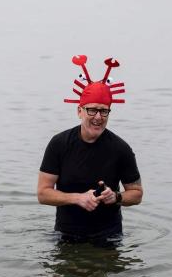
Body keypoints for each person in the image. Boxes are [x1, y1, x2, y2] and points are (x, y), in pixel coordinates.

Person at [37, 55, 142, 243]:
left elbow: (136, 194)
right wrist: (77, 198)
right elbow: (43, 193)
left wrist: (116, 197)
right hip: (66, 234)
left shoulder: (121, 149)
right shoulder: (59, 144)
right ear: (79, 111)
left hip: (109, 237)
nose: (98, 117)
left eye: (104, 111)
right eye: (92, 110)